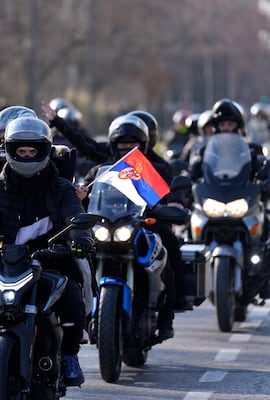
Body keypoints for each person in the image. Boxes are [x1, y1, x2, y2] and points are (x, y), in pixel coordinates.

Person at [0, 116, 92, 387]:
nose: (27, 156)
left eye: (32, 151)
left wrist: (81, 238)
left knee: (73, 299)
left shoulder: (61, 187)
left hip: (52, 258)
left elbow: (75, 217)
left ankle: (70, 356)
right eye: (21, 151)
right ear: (10, 150)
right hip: (6, 259)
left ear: (44, 151)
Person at [79, 114, 182, 340]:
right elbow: (83, 194)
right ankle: (79, 316)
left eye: (132, 145)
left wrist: (172, 205)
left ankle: (166, 318)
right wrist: (79, 196)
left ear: (143, 145)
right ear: (113, 146)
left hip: (143, 225)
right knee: (77, 257)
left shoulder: (155, 169)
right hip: (107, 226)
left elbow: (171, 193)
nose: (127, 150)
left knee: (169, 250)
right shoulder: (100, 171)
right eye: (122, 145)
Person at [188, 98, 270, 301]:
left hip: (242, 201)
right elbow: (193, 171)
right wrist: (184, 182)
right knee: (188, 231)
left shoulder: (252, 151)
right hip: (215, 201)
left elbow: (265, 168)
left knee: (267, 230)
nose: (226, 128)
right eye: (222, 125)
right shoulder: (205, 151)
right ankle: (193, 279)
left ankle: (263, 279)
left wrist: (269, 179)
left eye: (230, 124)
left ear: (238, 126)